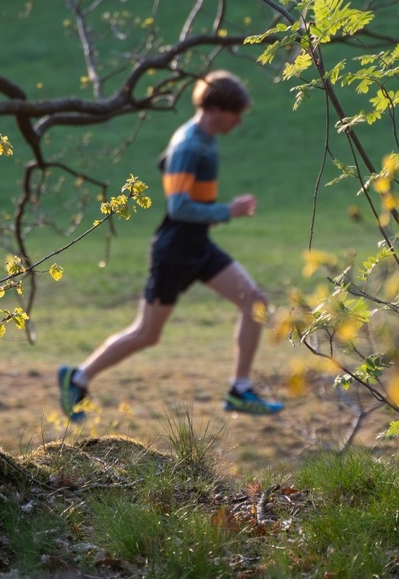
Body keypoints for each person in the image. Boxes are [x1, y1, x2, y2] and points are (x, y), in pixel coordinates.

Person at [57, 69, 283, 421]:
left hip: (198, 246)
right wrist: (228, 211)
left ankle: (240, 389)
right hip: (175, 251)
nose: (239, 122)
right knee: (147, 333)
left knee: (255, 302)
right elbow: (177, 206)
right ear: (217, 108)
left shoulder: (202, 139)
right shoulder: (191, 143)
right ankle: (77, 377)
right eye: (236, 113)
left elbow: (166, 166)